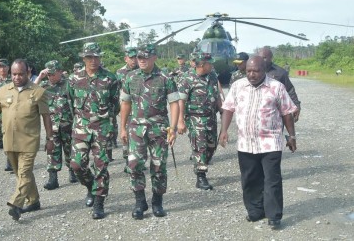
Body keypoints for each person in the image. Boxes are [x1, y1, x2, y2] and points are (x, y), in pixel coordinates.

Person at [219, 56, 297, 229]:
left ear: (264, 70)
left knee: (272, 180)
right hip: (246, 142)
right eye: (248, 71)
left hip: (271, 142)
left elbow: (287, 113)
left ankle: (274, 215)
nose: (252, 74)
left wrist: (292, 136)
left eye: (256, 71)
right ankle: (255, 211)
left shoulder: (277, 87)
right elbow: (228, 108)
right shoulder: (238, 86)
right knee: (249, 179)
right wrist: (223, 131)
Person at [0, 59, 54, 221]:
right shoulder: (2, 91)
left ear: (27, 72)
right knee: (19, 173)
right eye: (14, 74)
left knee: (24, 172)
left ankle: (16, 204)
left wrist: (50, 139)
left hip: (29, 140)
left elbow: (46, 117)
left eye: (20, 74)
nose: (17, 77)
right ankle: (34, 200)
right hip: (9, 140)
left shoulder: (38, 92)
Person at [120, 44, 179, 220]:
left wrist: (173, 128)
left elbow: (174, 104)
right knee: (134, 165)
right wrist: (122, 127)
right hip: (136, 129)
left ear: (154, 57)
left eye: (146, 57)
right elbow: (125, 103)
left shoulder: (165, 78)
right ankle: (139, 202)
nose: (142, 60)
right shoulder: (130, 77)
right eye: (139, 57)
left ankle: (157, 201)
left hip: (159, 129)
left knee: (159, 166)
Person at [68, 42, 119, 220]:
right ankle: (90, 185)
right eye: (90, 57)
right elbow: (70, 103)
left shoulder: (110, 79)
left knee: (101, 166)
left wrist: (106, 122)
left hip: (102, 130)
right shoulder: (73, 79)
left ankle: (99, 202)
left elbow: (116, 105)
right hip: (81, 128)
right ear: (83, 58)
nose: (93, 60)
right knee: (76, 165)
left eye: (97, 57)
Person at [177, 51, 223, 190]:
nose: (212, 65)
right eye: (210, 63)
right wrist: (180, 121)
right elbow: (181, 101)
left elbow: (218, 94)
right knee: (200, 146)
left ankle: (201, 163)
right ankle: (201, 176)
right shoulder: (187, 78)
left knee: (212, 145)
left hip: (211, 117)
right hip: (195, 117)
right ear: (202, 64)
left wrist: (223, 109)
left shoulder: (213, 75)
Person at [34, 60, 77, 190]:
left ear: (59, 71)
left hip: (68, 124)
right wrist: (40, 77)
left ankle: (73, 172)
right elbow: (29, 95)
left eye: (53, 74)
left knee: (70, 150)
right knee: (52, 151)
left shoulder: (69, 84)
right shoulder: (44, 86)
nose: (50, 77)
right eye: (48, 74)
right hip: (51, 126)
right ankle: (53, 179)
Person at [258, 47, 301, 122]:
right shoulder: (253, 71)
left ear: (271, 58)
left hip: (275, 111)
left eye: (264, 58)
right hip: (257, 110)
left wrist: (296, 106)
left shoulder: (280, 72)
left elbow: (290, 90)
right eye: (260, 58)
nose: (262, 60)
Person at [116, 46, 139, 166]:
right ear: (126, 59)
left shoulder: (142, 70)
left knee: (138, 135)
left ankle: (137, 159)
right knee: (126, 134)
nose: (134, 60)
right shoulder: (120, 73)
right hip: (126, 108)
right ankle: (127, 161)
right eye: (131, 58)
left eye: (135, 57)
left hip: (139, 109)